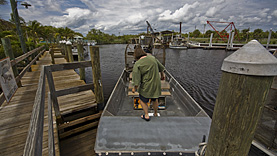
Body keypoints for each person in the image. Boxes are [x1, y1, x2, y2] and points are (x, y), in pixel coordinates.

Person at [132, 47, 165, 121]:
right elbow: (161, 68)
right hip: (156, 84)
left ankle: (146, 115)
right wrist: (162, 76)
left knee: (143, 100)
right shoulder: (153, 58)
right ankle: (155, 113)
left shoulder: (137, 64)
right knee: (155, 99)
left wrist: (135, 88)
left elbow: (136, 79)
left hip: (146, 86)